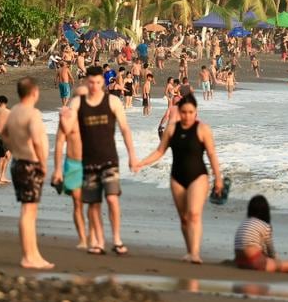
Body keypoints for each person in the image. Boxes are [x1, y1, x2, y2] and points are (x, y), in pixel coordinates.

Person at [133, 93, 222, 264]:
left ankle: (195, 253)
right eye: (184, 112)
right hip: (177, 177)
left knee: (194, 214)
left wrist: (218, 178)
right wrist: (141, 163)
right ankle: (189, 251)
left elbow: (212, 154)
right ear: (179, 112)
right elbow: (160, 151)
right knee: (184, 218)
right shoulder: (172, 129)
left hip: (199, 176)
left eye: (191, 112)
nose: (187, 116)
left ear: (196, 112)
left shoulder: (203, 129)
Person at [69, 65, 138, 256]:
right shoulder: (78, 104)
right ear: (86, 82)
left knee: (112, 199)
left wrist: (132, 155)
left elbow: (125, 129)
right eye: (91, 82)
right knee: (93, 203)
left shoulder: (113, 102)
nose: (94, 86)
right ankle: (98, 241)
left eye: (98, 82)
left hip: (109, 159)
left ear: (103, 82)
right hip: (88, 161)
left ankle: (116, 239)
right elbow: (66, 127)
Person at [1, 77, 53, 270]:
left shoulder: (13, 111)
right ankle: (29, 256)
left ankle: (34, 254)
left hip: (18, 162)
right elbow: (38, 139)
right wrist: (43, 163)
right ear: (34, 92)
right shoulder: (32, 113)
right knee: (29, 212)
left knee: (29, 211)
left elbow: (4, 133)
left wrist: (16, 148)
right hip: (30, 163)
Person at [234, 195, 288, 276]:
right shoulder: (265, 226)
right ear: (265, 211)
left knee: (277, 263)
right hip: (254, 262)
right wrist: (278, 263)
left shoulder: (244, 223)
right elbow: (271, 252)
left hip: (240, 262)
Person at [51, 85, 87, 249]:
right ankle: (83, 239)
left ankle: (93, 236)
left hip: (92, 164)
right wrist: (57, 170)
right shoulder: (67, 118)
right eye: (78, 98)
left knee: (94, 204)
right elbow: (59, 143)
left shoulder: (95, 118)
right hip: (73, 164)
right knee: (78, 203)